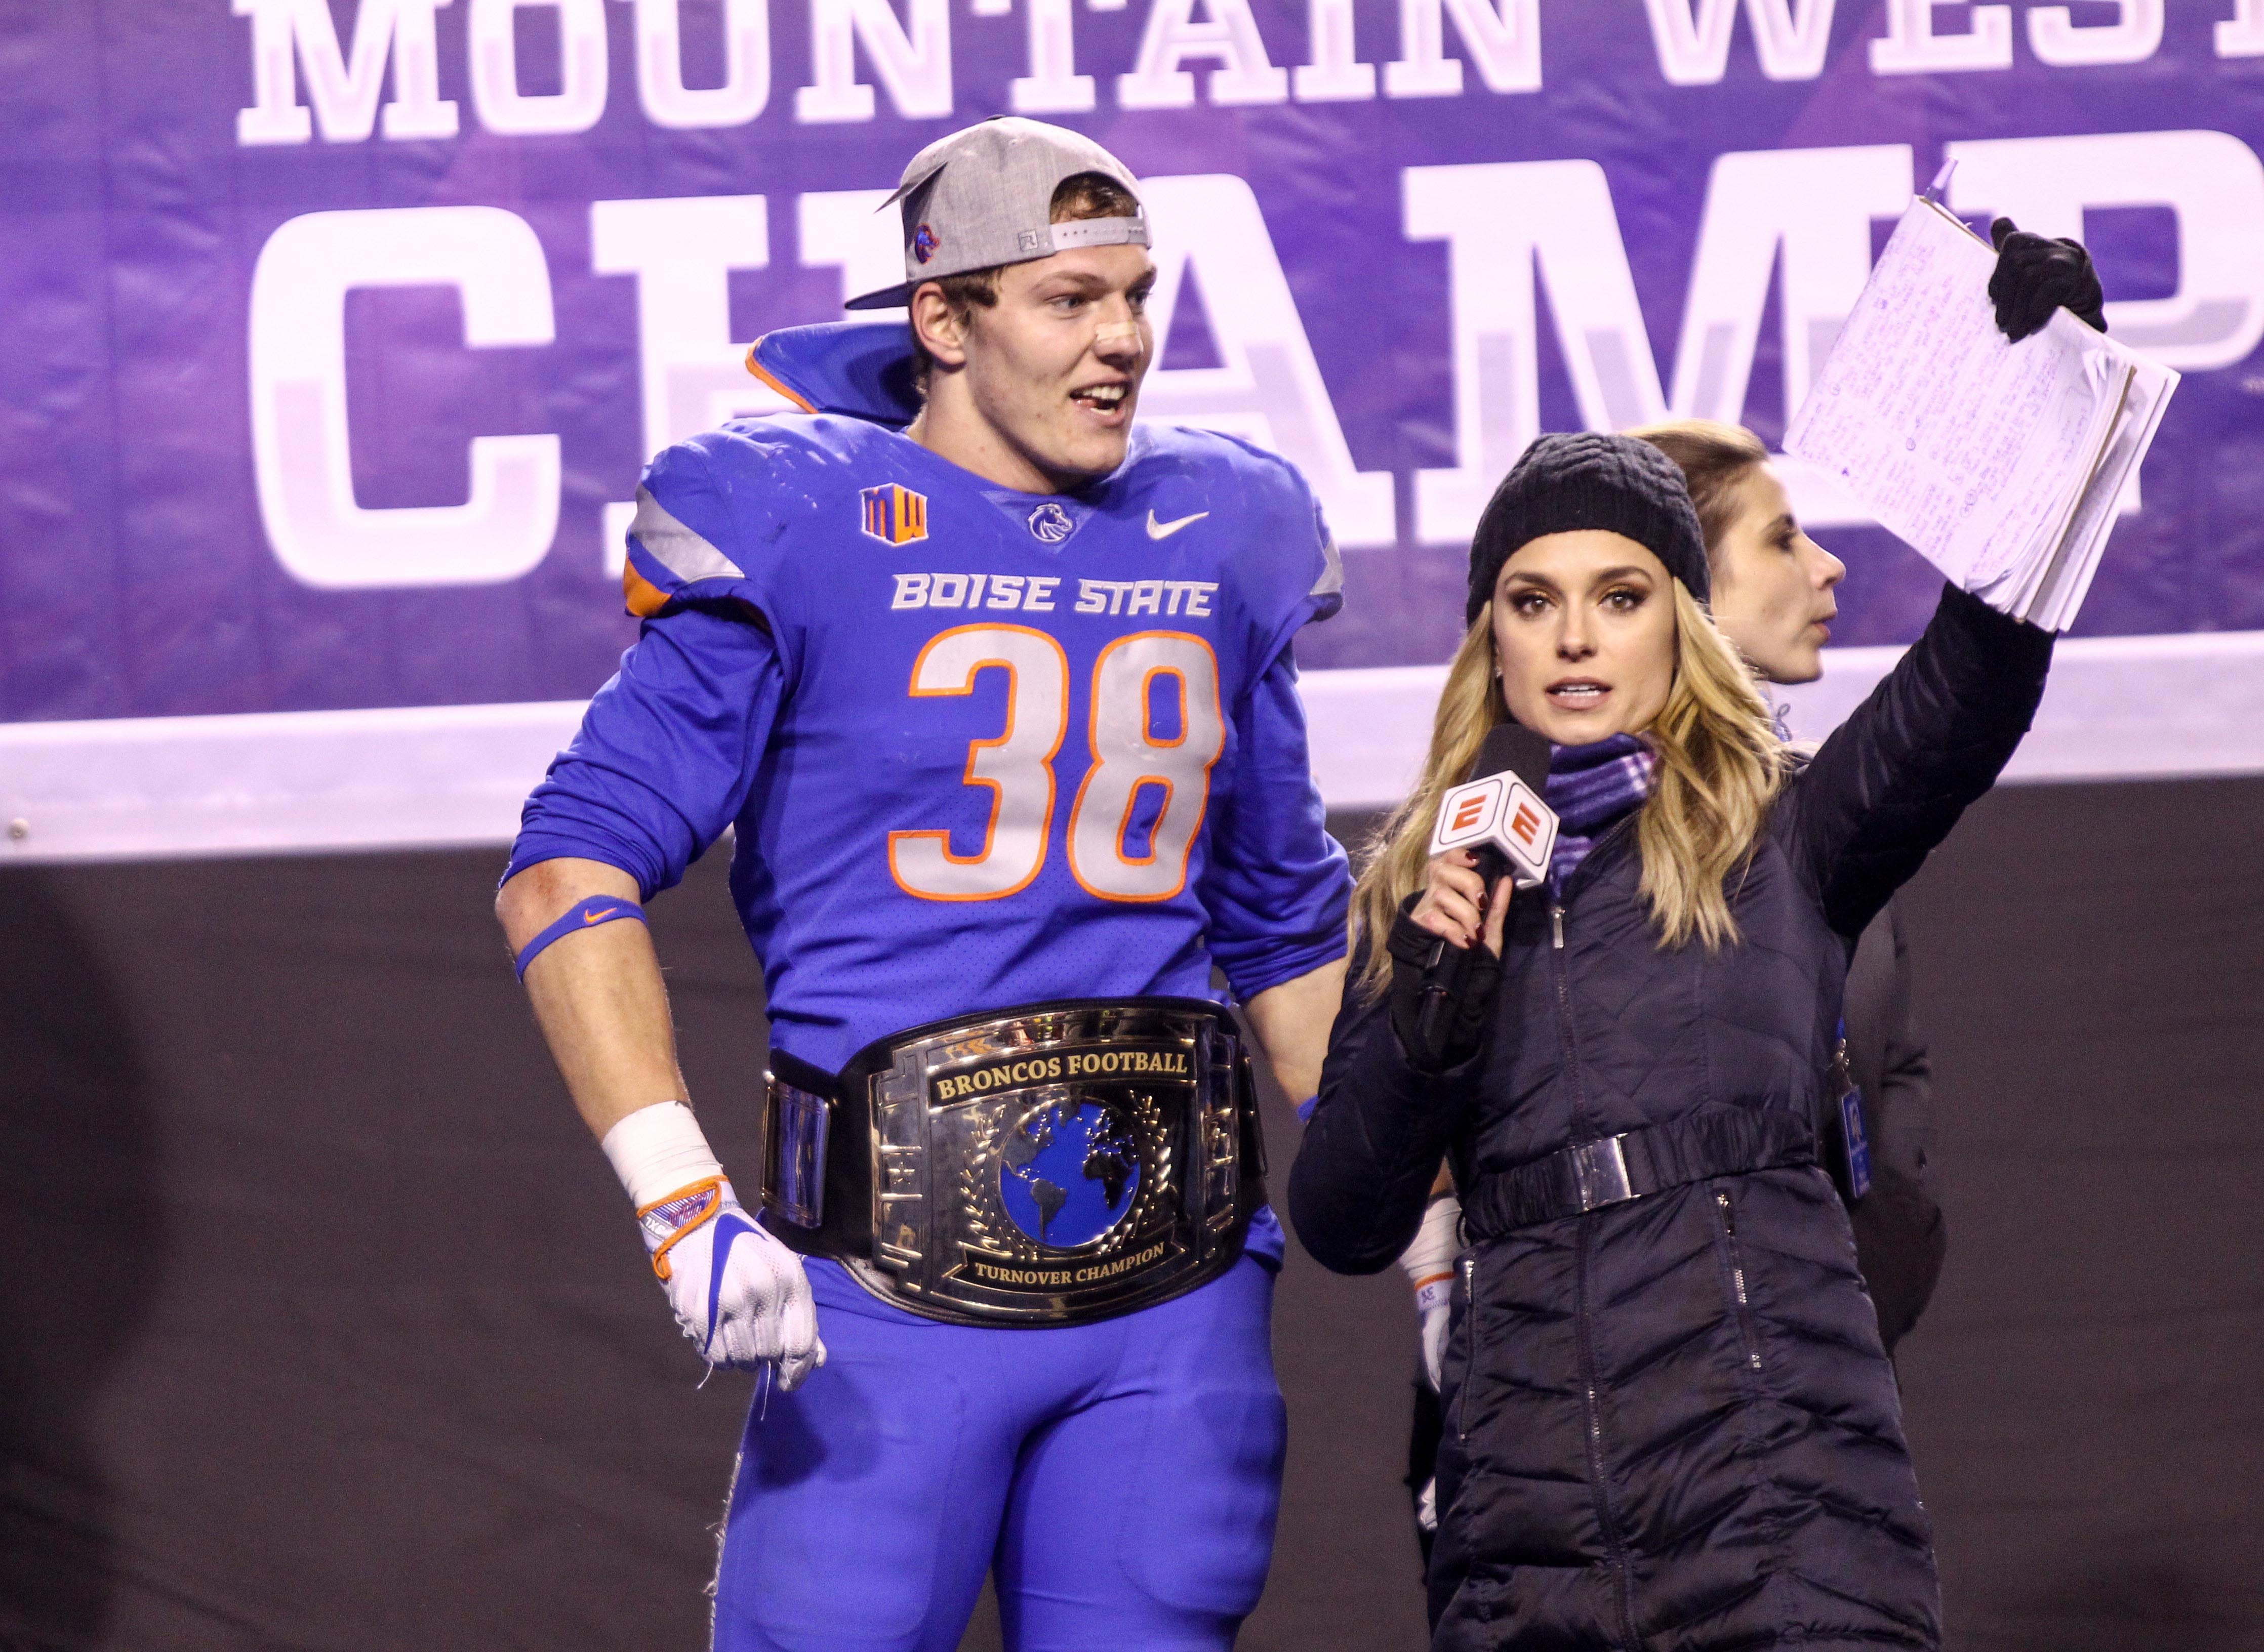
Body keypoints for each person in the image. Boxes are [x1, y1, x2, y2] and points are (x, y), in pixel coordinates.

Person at [496, 116, 1350, 1652]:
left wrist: (1431, 1246)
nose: (1124, 341)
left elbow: (1287, 924)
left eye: (1138, 294)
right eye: (1070, 298)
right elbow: (567, 871)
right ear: (943, 321)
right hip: (888, 1289)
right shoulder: (802, 515)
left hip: (1180, 1289)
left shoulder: (1226, 528)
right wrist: (681, 1203)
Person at [1288, 425, 2056, 1646]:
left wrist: (2045, 406)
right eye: (1534, 601)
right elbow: (1340, 1219)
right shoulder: (1424, 895)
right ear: (1493, 633)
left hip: (1781, 1512)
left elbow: (1977, 676)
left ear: (1681, 624)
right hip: (1523, 1545)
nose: (1575, 638)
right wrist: (1429, 1012)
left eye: (1620, 597)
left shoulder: (1788, 835)